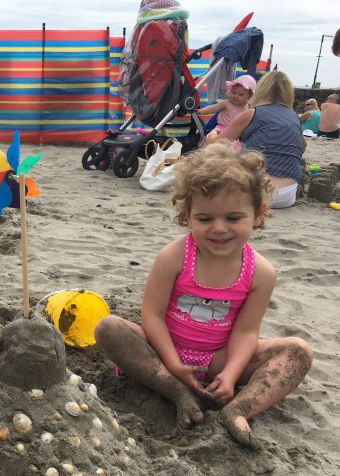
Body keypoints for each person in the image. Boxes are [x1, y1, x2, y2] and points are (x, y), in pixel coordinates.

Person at [94, 142, 312, 448]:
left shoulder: (261, 273)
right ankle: (177, 391)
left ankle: (238, 409)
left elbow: (246, 332)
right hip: (163, 352)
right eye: (205, 219)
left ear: (257, 214)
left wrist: (231, 374)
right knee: (109, 328)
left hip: (218, 360)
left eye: (233, 218)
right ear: (188, 216)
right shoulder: (173, 257)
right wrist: (172, 364)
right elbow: (152, 316)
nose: (219, 228)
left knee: (298, 351)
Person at [215, 70, 306, 209]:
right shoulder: (294, 117)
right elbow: (302, 147)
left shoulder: (253, 113)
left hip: (254, 193)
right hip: (287, 196)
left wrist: (212, 134)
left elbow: (217, 146)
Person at [198, 74, 256, 146]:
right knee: (215, 145)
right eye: (234, 92)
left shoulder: (247, 108)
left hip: (236, 132)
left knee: (233, 148)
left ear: (248, 97)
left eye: (240, 95)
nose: (236, 96)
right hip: (221, 129)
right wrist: (203, 110)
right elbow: (213, 108)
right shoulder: (226, 103)